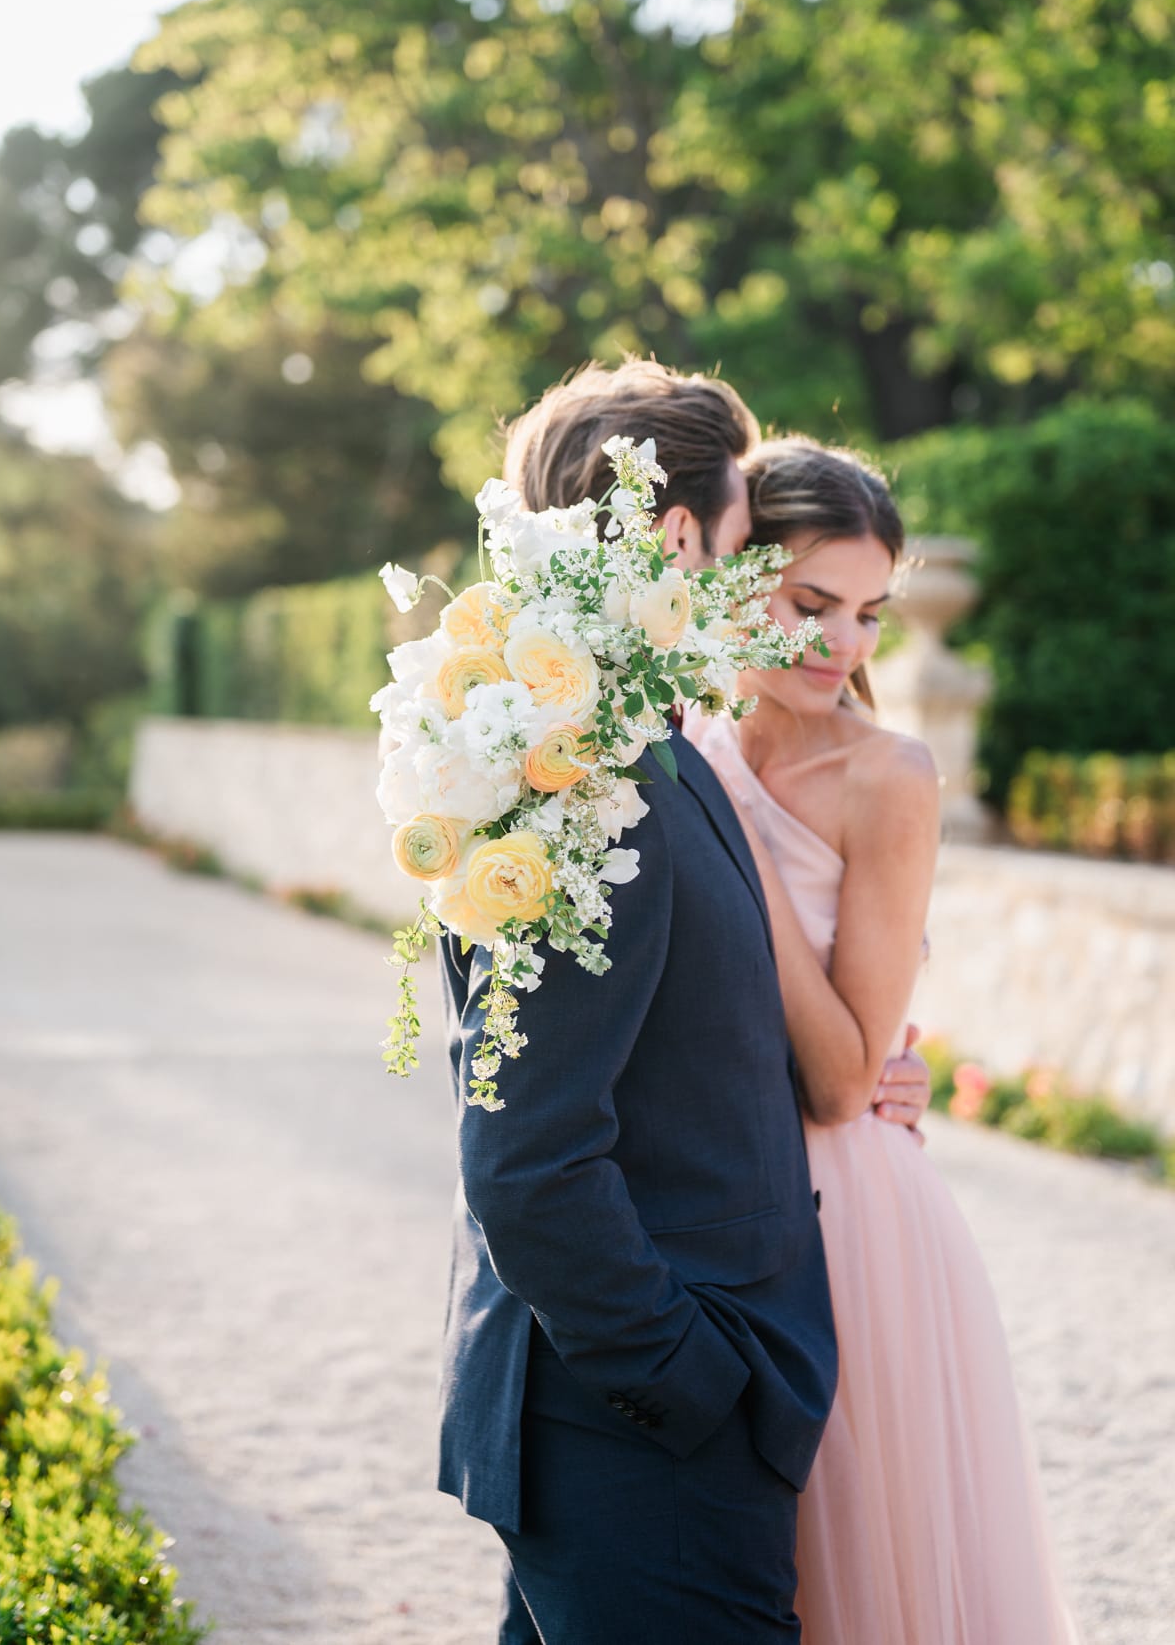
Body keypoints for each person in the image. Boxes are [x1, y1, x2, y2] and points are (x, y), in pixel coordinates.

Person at [436, 359, 930, 1644]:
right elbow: (529, 1151)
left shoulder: (616, 742)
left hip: (619, 1418)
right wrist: (690, 1381)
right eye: (739, 545)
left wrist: (875, 1067)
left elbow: (669, 1034)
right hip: (640, 1432)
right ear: (673, 534)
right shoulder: (594, 779)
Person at [688, 434, 1079, 1644]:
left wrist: (738, 849)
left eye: (869, 613)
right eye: (813, 603)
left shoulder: (888, 776)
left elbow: (851, 1073)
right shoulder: (663, 736)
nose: (846, 646)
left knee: (853, 1575)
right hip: (697, 1190)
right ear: (728, 575)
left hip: (844, 1221)